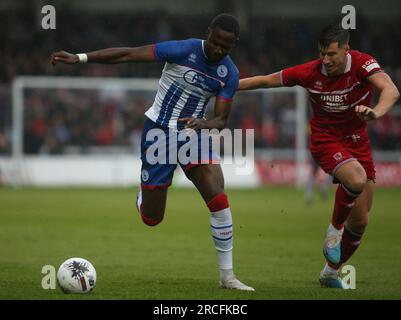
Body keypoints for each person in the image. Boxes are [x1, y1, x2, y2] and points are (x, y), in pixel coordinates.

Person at [50, 13, 254, 291]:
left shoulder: (229, 73)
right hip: (158, 134)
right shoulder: (183, 50)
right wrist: (81, 58)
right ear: (208, 33)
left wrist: (204, 123)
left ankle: (227, 276)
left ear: (234, 44)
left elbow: (221, 120)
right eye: (215, 43)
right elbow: (128, 54)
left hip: (194, 134)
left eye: (226, 47)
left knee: (218, 198)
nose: (218, 50)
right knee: (152, 219)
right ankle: (143, 197)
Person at [239, 23, 400, 288]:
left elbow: (390, 90)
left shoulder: (363, 63)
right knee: (356, 180)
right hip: (326, 140)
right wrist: (225, 87)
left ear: (347, 50)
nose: (326, 60)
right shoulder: (309, 72)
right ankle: (333, 232)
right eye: (322, 53)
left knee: (360, 221)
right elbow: (265, 80)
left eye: (332, 54)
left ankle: (330, 272)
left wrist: (376, 113)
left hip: (358, 142)